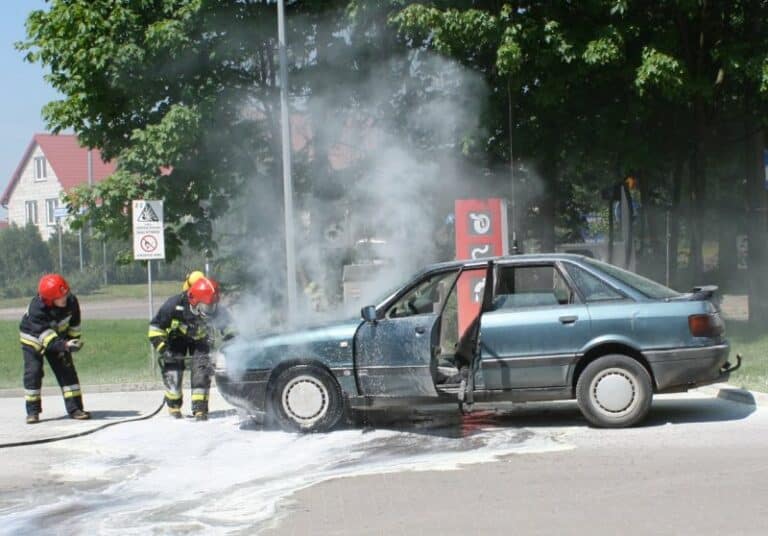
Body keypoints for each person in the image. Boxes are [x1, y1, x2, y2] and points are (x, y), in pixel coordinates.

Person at [148, 276, 232, 421]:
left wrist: (232, 340)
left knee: (201, 370)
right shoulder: (173, 305)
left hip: (200, 340)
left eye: (213, 306)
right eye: (207, 307)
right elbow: (155, 329)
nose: (211, 311)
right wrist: (164, 350)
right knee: (173, 370)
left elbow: (230, 326)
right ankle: (174, 407)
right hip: (176, 340)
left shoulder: (214, 308)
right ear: (194, 301)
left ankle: (200, 409)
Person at [20, 274, 90, 424]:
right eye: (61, 297)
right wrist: (64, 346)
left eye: (66, 293)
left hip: (59, 339)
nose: (65, 298)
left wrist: (72, 342)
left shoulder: (71, 301)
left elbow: (74, 325)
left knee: (67, 371)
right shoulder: (36, 310)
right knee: (33, 372)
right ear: (49, 300)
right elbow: (48, 340)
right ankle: (33, 412)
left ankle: (75, 409)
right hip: (34, 339)